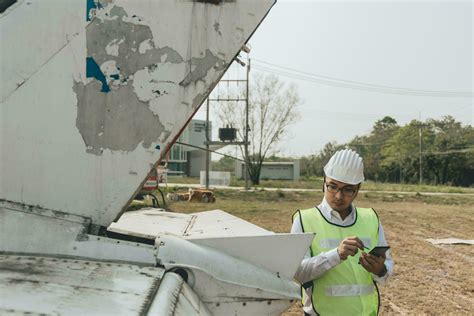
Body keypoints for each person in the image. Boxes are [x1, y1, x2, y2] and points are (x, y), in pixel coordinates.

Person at [291, 149, 393, 315]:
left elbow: (387, 267)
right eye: (332, 186)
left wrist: (380, 270)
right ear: (323, 182)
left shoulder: (371, 218)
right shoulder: (304, 220)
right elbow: (297, 272)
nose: (338, 196)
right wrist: (336, 254)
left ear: (358, 189)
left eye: (347, 189)